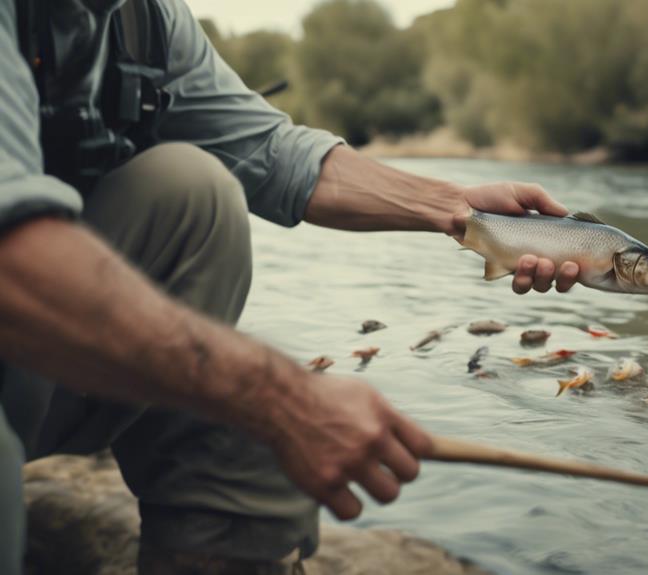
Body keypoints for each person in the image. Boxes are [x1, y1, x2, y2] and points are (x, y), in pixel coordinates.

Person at [0, 0, 580, 572]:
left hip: (42, 379)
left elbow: (271, 151)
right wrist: (283, 399)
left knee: (194, 189)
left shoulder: (144, 17)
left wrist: (457, 209)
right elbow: (14, 268)